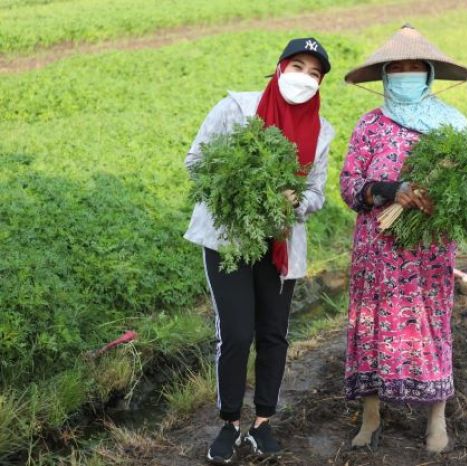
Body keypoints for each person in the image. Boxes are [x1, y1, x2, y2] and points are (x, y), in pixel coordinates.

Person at [183, 38, 334, 464]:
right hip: (229, 238)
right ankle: (230, 421)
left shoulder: (321, 131)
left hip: (280, 244)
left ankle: (263, 422)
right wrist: (245, 183)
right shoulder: (237, 108)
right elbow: (196, 160)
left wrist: (296, 199)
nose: (304, 78)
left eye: (314, 73)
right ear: (280, 67)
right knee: (235, 333)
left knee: (273, 336)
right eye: (298, 66)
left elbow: (318, 192)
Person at [340, 24, 467, 453]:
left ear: (430, 74)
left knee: (431, 326)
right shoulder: (369, 125)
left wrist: (440, 200)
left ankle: (437, 421)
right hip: (375, 251)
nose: (406, 73)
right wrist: (389, 190)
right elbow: (348, 186)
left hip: (428, 252)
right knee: (372, 326)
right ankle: (371, 416)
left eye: (415, 67)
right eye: (397, 67)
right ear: (384, 75)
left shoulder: (453, 127)